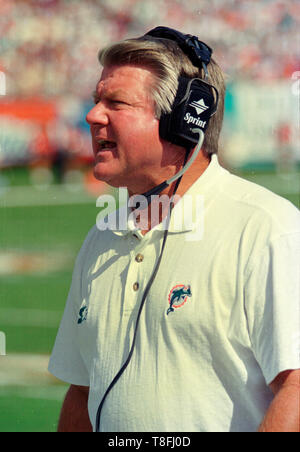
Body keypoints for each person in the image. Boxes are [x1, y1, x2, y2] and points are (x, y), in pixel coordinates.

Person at [48, 27, 300, 433]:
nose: (93, 115)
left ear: (184, 121)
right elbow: (83, 390)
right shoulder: (102, 237)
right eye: (97, 101)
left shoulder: (266, 228)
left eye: (116, 102)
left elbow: (296, 389)